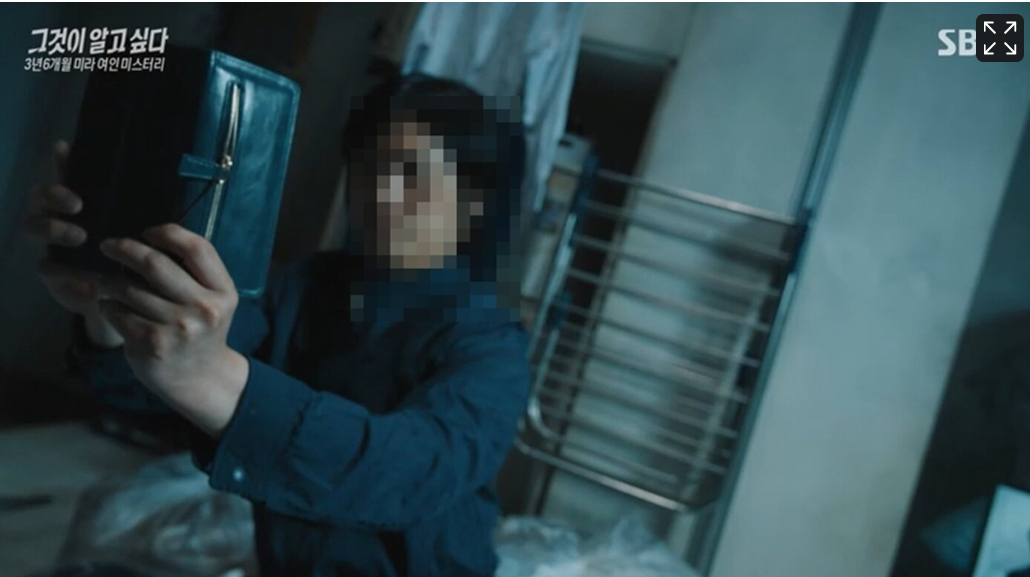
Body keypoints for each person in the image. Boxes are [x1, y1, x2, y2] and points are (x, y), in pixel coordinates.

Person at [23, 74, 530, 577]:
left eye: (412, 172)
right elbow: (157, 388)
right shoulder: (305, 285)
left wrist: (208, 373)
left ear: (473, 200)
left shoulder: (493, 345)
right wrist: (108, 307)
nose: (382, 191)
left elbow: (406, 474)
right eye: (369, 166)